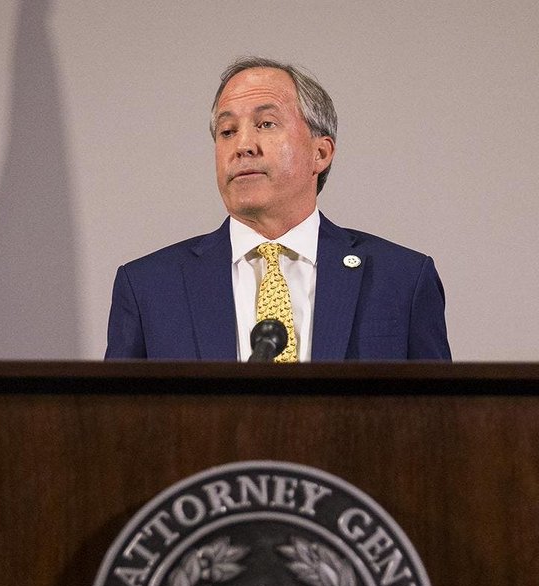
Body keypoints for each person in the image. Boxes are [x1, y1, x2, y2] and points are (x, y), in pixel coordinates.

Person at [105, 57, 451, 361]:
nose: (242, 146)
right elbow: (117, 415)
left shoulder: (402, 279)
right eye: (227, 131)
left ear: (320, 153)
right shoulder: (149, 287)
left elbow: (438, 412)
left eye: (266, 124)